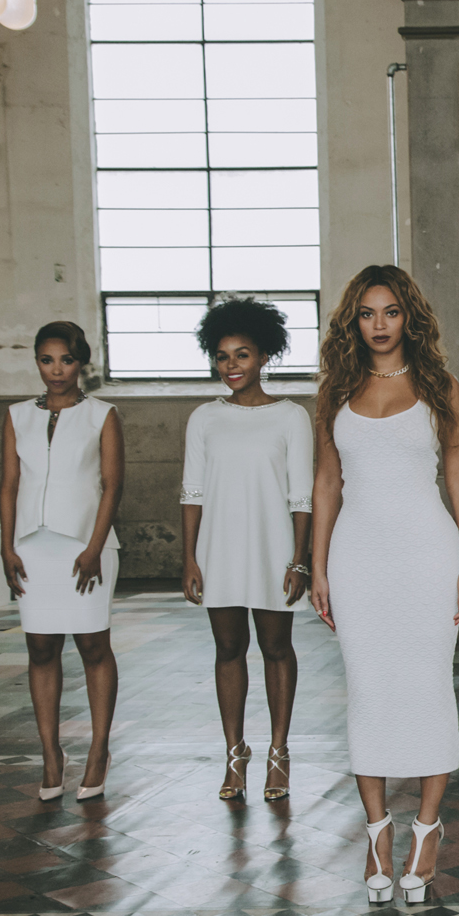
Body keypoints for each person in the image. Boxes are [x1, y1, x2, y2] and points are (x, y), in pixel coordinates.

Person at [310, 265, 459, 905]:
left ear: (410, 317)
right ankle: (378, 833)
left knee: (429, 687)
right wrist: (318, 565)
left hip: (427, 555)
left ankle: (428, 828)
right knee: (370, 689)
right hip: (357, 558)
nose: (379, 325)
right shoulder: (335, 391)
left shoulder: (440, 387)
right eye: (366, 314)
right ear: (353, 321)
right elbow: (327, 484)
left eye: (390, 313)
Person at [180, 297, 313, 804]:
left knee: (277, 648)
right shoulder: (203, 418)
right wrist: (190, 557)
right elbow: (192, 492)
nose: (231, 365)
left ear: (264, 357)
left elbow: (301, 496)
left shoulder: (291, 417)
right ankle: (235, 755)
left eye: (242, 355)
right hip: (219, 550)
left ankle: (279, 753)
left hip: (275, 549)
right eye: (222, 356)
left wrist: (299, 558)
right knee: (228, 650)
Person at [0, 321, 123, 802]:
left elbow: (112, 486)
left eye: (66, 360)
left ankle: (98, 751)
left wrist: (93, 547)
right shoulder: (16, 416)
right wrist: (8, 546)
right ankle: (51, 754)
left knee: (94, 647)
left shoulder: (102, 415)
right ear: (37, 361)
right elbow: (9, 485)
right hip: (32, 547)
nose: (56, 370)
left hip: (86, 549)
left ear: (82, 362)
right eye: (47, 360)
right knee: (41, 649)